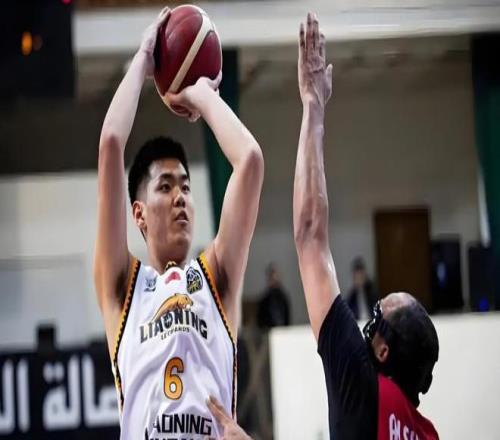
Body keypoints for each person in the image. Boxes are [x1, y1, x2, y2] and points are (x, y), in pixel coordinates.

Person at [93, 8, 264, 440]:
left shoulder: (216, 278)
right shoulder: (124, 288)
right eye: (166, 187)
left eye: (186, 187)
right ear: (138, 213)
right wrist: (144, 59)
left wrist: (202, 95)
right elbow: (111, 143)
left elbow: (249, 160)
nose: (180, 197)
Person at [293, 13, 440, 440]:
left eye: (375, 317)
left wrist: (313, 106)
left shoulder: (362, 385)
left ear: (382, 350)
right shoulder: (429, 434)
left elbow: (310, 234)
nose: (367, 326)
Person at [256, 263, 291, 328]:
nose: (274, 280)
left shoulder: (283, 297)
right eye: (271, 278)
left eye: (275, 278)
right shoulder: (265, 299)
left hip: (282, 330)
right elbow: (260, 321)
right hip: (269, 330)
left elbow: (287, 318)